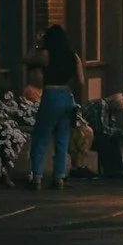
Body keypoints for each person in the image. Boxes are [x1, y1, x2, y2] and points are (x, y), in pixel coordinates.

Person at [29, 25, 81, 190]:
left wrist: (37, 44)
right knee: (62, 138)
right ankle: (59, 177)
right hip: (67, 96)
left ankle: (37, 176)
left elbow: (26, 59)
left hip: (50, 94)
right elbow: (81, 81)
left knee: (41, 137)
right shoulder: (73, 56)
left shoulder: (46, 54)